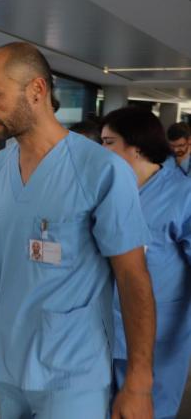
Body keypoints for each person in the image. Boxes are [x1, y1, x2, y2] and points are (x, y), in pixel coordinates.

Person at [0, 42, 155, 419]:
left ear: (37, 90)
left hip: (72, 372)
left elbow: (133, 278)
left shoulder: (101, 172)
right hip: (7, 362)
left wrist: (139, 382)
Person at [101, 107, 191, 419]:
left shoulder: (182, 195)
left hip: (159, 335)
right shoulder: (110, 191)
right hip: (103, 330)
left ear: (136, 146)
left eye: (109, 142)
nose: (101, 150)